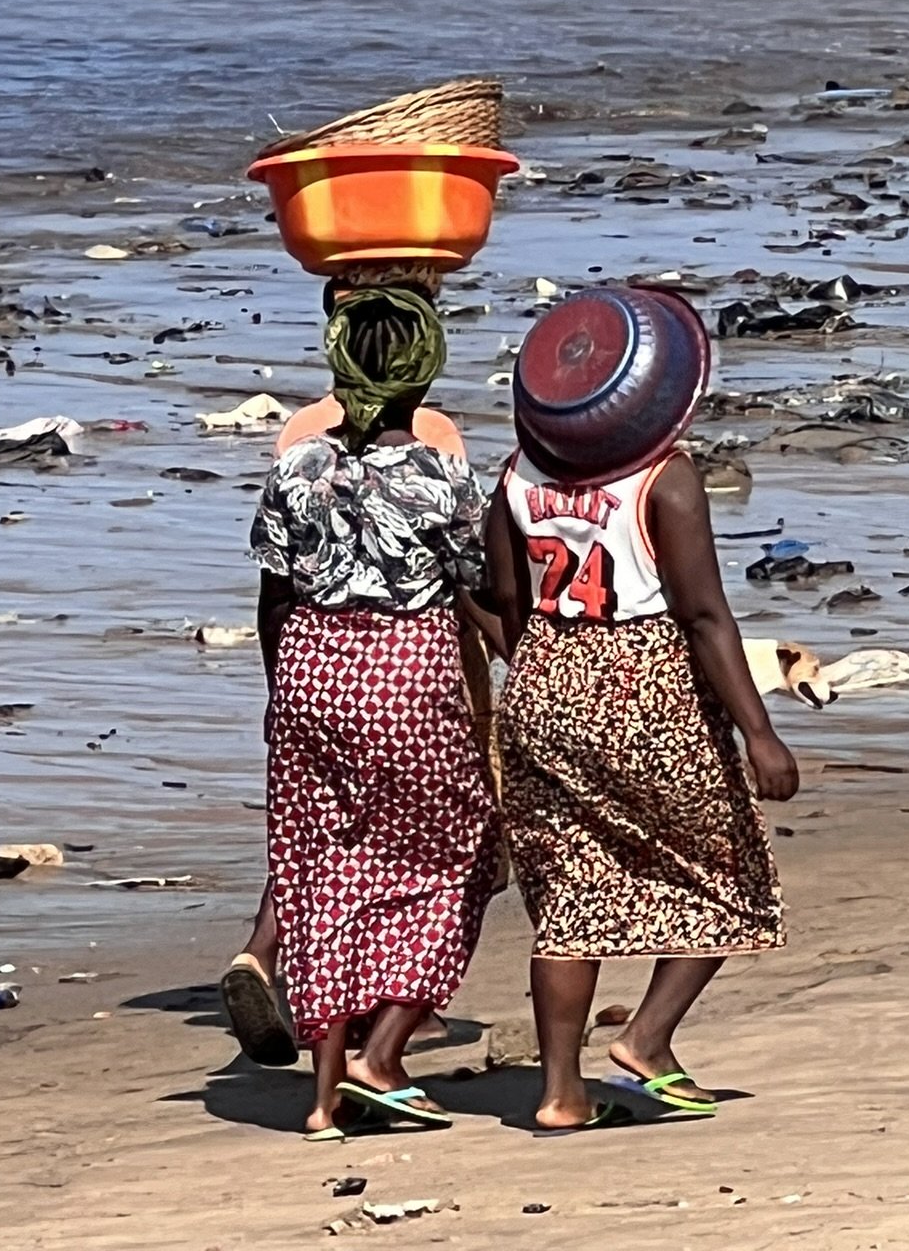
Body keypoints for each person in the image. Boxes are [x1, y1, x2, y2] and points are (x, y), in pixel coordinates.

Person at [485, 287, 798, 1134]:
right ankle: (648, 1038)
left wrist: (548, 674)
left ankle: (559, 1092)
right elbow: (703, 617)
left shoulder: (516, 478)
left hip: (545, 680)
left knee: (571, 892)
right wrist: (760, 733)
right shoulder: (668, 480)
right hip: (649, 684)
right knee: (725, 868)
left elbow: (504, 601)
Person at [238, 284, 503, 1140]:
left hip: (312, 673)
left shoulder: (296, 467)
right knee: (455, 856)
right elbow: (481, 594)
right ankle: (381, 1053)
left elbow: (273, 599)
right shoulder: (441, 476)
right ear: (426, 372)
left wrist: (287, 697)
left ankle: (322, 1101)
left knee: (323, 871)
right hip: (406, 677)